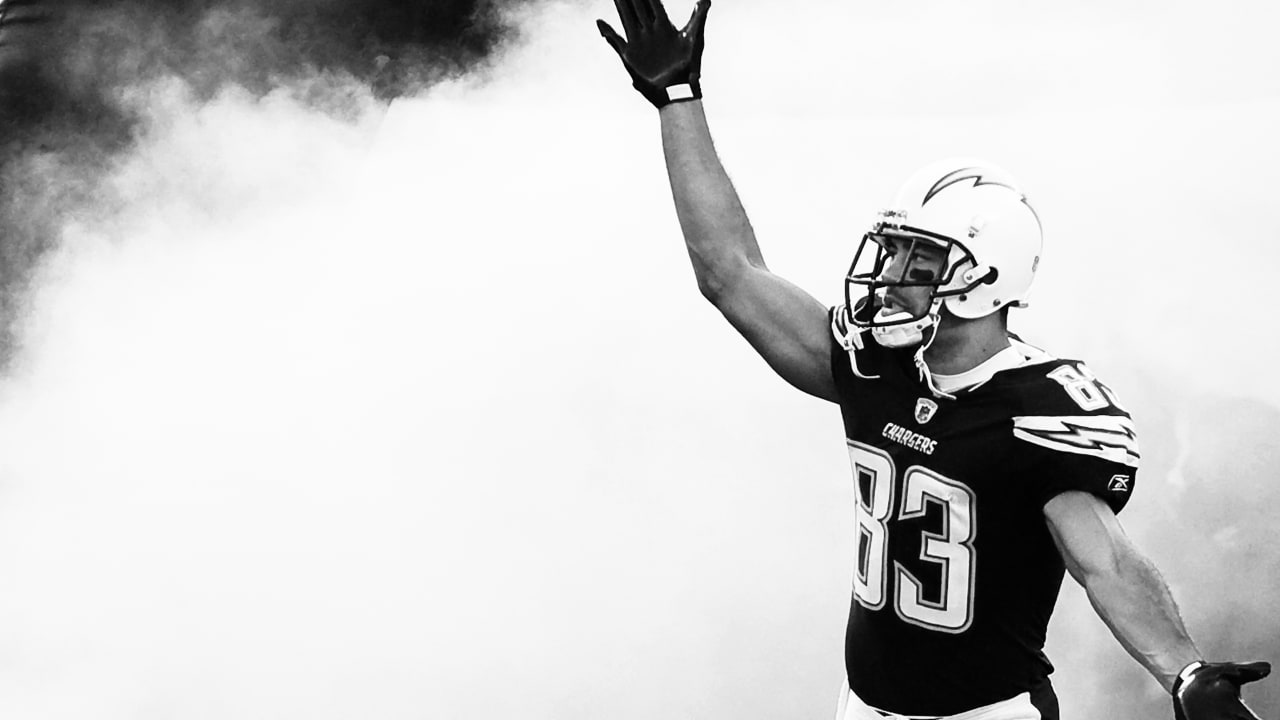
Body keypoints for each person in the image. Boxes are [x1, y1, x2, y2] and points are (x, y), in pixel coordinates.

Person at [596, 1, 1272, 719]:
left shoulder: (1041, 409)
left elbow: (1104, 563)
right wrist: (678, 100)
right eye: (892, 249)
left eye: (919, 257)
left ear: (986, 278)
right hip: (862, 707)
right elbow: (728, 273)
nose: (889, 272)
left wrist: (1184, 671)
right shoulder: (874, 367)